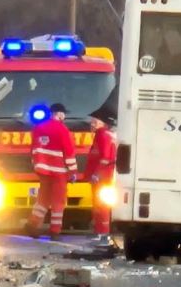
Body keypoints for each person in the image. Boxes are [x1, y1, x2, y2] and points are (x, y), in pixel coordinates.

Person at [26, 103, 77, 240]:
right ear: (59, 114)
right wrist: (73, 172)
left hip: (42, 170)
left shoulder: (38, 127)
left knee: (43, 199)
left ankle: (32, 225)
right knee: (58, 202)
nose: (64, 116)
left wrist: (37, 165)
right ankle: (55, 231)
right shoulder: (62, 129)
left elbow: (33, 148)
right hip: (58, 171)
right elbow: (69, 151)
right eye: (63, 113)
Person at [85, 108, 117, 246]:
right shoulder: (105, 134)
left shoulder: (102, 135)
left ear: (103, 123)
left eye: (95, 121)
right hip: (103, 176)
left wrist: (97, 174)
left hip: (103, 177)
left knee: (101, 205)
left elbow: (105, 157)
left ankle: (103, 234)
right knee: (99, 205)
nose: (92, 124)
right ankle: (100, 232)